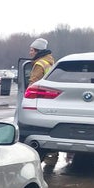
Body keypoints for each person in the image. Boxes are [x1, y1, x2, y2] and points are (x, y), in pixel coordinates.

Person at [28, 38, 59, 168]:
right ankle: (53, 152)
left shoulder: (39, 64)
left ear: (37, 51)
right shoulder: (51, 62)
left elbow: (33, 82)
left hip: (39, 99)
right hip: (51, 99)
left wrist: (27, 95)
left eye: (31, 50)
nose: (30, 53)